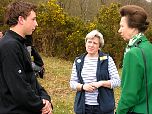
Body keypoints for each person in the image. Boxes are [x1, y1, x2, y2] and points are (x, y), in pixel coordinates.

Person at [0, 1, 53, 114]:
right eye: (33, 19)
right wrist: (41, 105)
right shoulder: (9, 46)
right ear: (21, 20)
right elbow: (18, 87)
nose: (36, 24)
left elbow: (31, 79)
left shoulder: (19, 43)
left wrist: (46, 98)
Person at [70, 30, 121, 114]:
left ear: (99, 46)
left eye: (95, 43)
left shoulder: (107, 60)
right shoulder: (78, 61)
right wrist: (83, 87)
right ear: (85, 43)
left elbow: (117, 81)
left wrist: (101, 83)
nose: (91, 45)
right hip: (83, 107)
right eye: (89, 42)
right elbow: (72, 83)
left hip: (103, 108)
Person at [116, 5, 152, 114]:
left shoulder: (133, 53)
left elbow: (129, 95)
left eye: (122, 26)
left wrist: (119, 112)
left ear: (133, 27)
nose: (119, 30)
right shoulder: (149, 47)